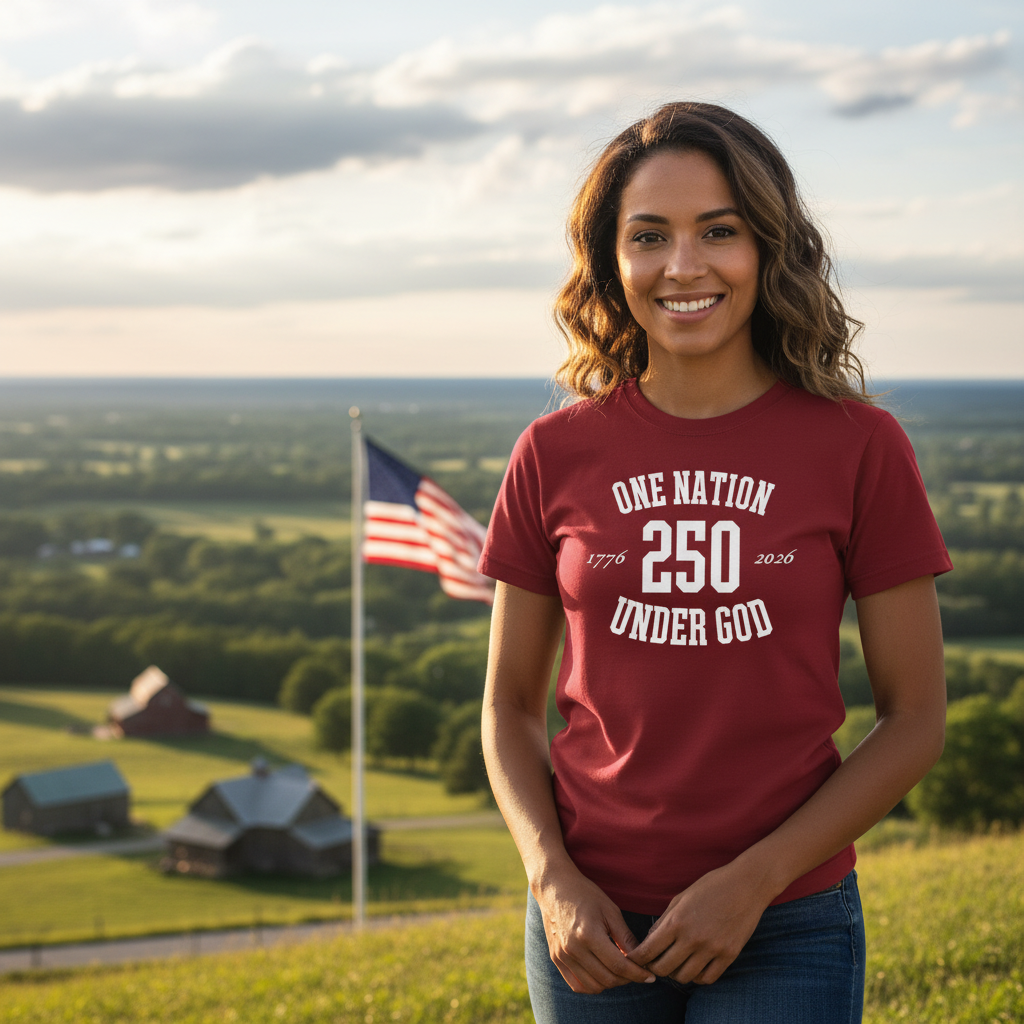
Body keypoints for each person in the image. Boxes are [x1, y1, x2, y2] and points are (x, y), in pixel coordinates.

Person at [478, 101, 951, 1023]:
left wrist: (754, 881)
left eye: (719, 232)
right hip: (592, 924)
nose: (683, 266)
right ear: (612, 263)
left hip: (786, 921)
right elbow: (506, 706)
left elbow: (914, 721)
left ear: (769, 248)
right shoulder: (552, 451)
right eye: (648, 236)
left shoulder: (860, 447)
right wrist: (551, 879)